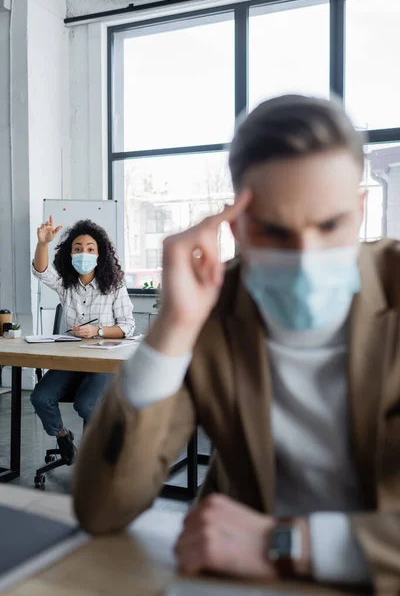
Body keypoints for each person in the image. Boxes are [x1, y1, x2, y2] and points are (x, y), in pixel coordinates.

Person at [73, 96, 400, 589]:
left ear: (360, 208)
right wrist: (173, 328)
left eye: (330, 225)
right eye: (274, 231)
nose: (306, 258)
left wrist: (288, 544)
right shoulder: (211, 306)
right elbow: (101, 510)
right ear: (236, 223)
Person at [31, 218, 135, 464]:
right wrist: (42, 243)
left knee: (86, 404)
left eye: (90, 248)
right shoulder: (66, 284)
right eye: (77, 248)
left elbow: (128, 327)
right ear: (70, 253)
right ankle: (63, 437)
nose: (83, 253)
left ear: (100, 254)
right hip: (72, 358)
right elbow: (41, 271)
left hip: (104, 361)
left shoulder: (115, 284)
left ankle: (109, 451)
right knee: (40, 397)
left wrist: (97, 330)